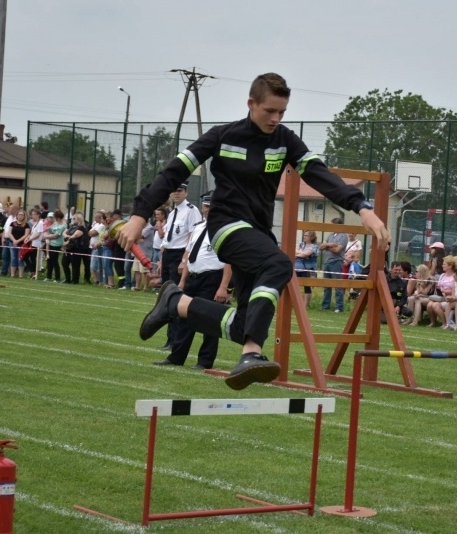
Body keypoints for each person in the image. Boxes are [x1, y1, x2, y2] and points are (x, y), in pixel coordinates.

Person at [118, 72, 389, 390]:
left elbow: (319, 174)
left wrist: (362, 208)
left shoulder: (285, 140)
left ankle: (177, 303)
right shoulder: (222, 136)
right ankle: (251, 354)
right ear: (251, 104)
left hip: (258, 232)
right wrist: (139, 215)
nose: (276, 119)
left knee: (244, 323)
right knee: (278, 264)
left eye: (282, 113)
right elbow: (171, 173)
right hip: (226, 226)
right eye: (269, 111)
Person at [153, 192, 232, 369]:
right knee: (184, 318)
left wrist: (223, 287)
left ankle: (205, 361)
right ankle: (176, 357)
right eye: (206, 206)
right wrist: (182, 281)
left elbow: (228, 261)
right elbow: (189, 255)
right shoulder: (198, 227)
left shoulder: (224, 230)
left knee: (208, 320)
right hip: (193, 278)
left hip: (212, 278)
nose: (208, 210)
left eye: (211, 207)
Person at [158, 183, 201, 348]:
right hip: (168, 254)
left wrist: (185, 260)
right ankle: (170, 338)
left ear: (186, 192)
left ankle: (175, 339)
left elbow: (193, 236)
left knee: (176, 297)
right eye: (173, 191)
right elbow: (167, 239)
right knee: (166, 297)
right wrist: (162, 260)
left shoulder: (191, 210)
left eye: (179, 191)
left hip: (179, 254)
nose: (176, 194)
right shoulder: (173, 212)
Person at [320, 218, 348, 313]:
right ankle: (325, 306)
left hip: (336, 262)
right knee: (326, 286)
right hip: (327, 262)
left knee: (337, 285)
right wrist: (329, 244)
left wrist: (326, 246)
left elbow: (337, 250)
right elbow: (321, 246)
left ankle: (339, 307)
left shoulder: (343, 237)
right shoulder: (330, 235)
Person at [294, 230, 319, 307]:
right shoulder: (301, 244)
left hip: (308, 268)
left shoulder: (314, 246)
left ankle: (305, 305)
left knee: (307, 286)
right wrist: (301, 253)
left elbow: (306, 254)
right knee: (294, 285)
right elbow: (294, 251)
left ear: (311, 237)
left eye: (306, 235)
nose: (304, 237)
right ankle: (295, 303)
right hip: (296, 268)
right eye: (304, 235)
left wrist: (299, 253)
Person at [62, 212, 88, 284]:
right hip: (69, 248)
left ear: (79, 219)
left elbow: (75, 235)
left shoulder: (81, 228)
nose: (72, 220)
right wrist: (67, 236)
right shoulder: (71, 226)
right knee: (64, 263)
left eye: (74, 218)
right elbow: (64, 233)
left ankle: (75, 280)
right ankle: (67, 279)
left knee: (75, 265)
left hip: (76, 248)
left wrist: (68, 239)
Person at [42, 210, 66, 282]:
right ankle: (48, 276)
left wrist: (47, 237)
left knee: (54, 261)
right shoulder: (56, 223)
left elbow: (56, 236)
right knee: (49, 260)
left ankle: (57, 278)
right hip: (51, 243)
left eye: (55, 217)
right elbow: (50, 230)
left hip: (56, 244)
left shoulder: (62, 225)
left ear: (58, 217)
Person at [8, 209, 30, 278]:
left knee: (20, 259)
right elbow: (9, 233)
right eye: (19, 214)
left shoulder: (26, 225)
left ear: (24, 216)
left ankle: (20, 275)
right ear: (17, 215)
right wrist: (14, 240)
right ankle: (12, 274)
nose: (20, 216)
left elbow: (26, 235)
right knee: (13, 258)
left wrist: (18, 241)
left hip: (21, 244)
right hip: (12, 243)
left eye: (22, 215)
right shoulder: (12, 223)